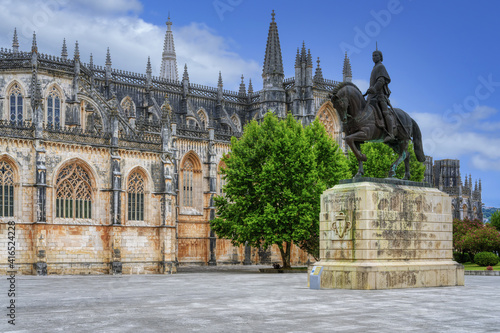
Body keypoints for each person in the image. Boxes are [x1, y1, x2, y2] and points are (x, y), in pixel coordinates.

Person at [366, 50, 394, 143]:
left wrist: (374, 88)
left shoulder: (381, 66)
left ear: (380, 57)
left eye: (376, 55)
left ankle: (390, 133)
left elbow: (381, 80)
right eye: (373, 55)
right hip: (372, 96)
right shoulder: (374, 68)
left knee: (385, 112)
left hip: (380, 95)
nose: (374, 57)